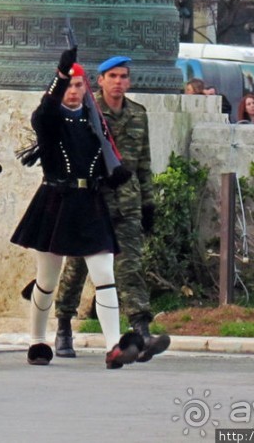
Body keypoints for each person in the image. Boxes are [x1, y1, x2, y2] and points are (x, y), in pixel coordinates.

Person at [11, 48, 143, 369]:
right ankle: (37, 339)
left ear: (87, 89)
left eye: (78, 86)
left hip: (91, 203)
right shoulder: (51, 119)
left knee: (105, 276)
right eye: (69, 85)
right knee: (47, 281)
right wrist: (60, 75)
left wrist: (114, 174)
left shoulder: (94, 121)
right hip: (57, 203)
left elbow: (104, 156)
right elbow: (42, 115)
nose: (73, 91)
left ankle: (113, 346)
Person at [51, 55, 169, 363]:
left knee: (131, 267)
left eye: (123, 76)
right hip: (92, 201)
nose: (118, 82)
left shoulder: (138, 115)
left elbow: (143, 164)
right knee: (77, 267)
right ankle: (63, 325)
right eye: (112, 76)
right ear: (100, 81)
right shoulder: (87, 113)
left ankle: (141, 331)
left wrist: (148, 204)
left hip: (127, 203)